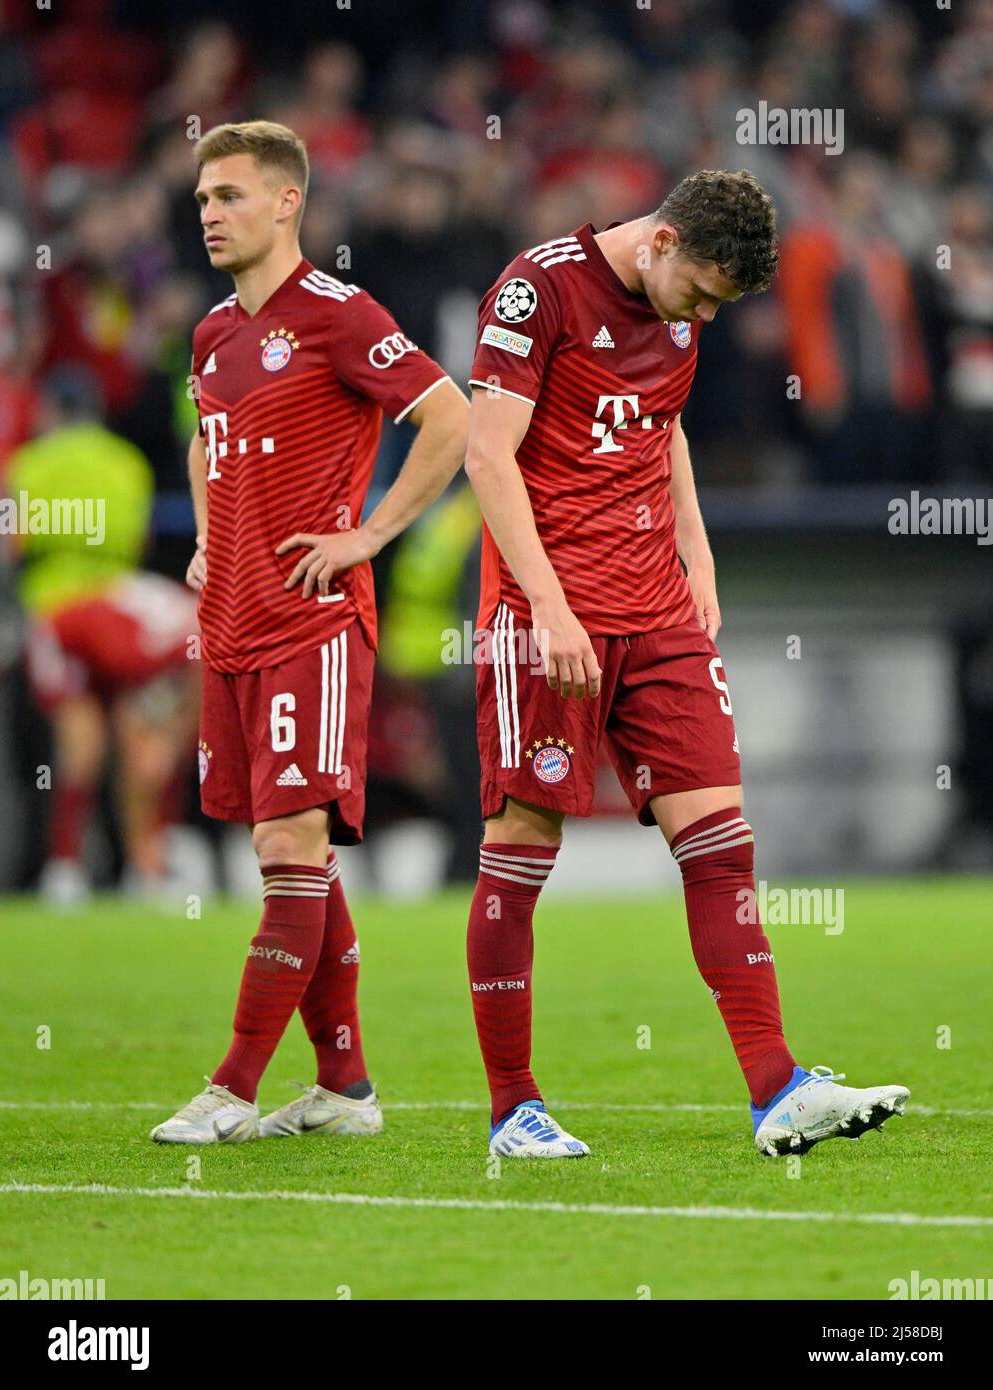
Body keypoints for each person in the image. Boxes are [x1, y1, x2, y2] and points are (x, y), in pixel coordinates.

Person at [463, 170, 910, 1159]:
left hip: (655, 610)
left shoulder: (682, 307)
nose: (702, 314)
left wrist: (696, 555)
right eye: (700, 293)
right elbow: (487, 456)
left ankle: (775, 1090)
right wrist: (545, 605)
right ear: (659, 241)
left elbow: (660, 431)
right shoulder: (536, 292)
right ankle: (512, 1109)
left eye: (717, 304)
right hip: (546, 617)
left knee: (720, 844)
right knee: (522, 851)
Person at [151, 120, 469, 1145]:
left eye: (230, 195)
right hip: (232, 618)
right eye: (203, 198)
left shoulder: (338, 314)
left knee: (292, 844)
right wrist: (207, 539)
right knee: (291, 857)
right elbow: (209, 447)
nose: (210, 213)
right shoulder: (208, 336)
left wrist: (367, 533)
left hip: (313, 623)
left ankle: (232, 1087)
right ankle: (344, 1089)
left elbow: (447, 413)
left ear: (288, 203)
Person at [8, 366, 199, 905]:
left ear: (51, 413)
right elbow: (137, 541)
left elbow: (14, 544)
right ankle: (145, 868)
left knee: (78, 748)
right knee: (140, 744)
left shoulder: (30, 463)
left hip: (55, 615)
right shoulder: (127, 463)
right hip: (119, 611)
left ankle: (65, 871)